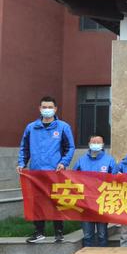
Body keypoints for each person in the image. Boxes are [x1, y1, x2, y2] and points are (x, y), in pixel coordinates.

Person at [18, 96, 76, 243]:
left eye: (50, 107)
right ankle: (39, 232)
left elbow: (70, 147)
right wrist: (22, 163)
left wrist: (63, 162)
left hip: (55, 172)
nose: (47, 110)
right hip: (36, 172)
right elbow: (24, 147)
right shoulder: (31, 128)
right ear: (40, 108)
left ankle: (59, 232)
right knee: (37, 202)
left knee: (56, 201)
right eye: (44, 107)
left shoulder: (63, 127)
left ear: (55, 109)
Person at [73, 134, 116, 247]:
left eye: (98, 142)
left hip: (102, 203)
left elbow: (115, 180)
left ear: (103, 144)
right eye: (93, 142)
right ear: (89, 144)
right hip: (86, 203)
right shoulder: (81, 161)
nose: (96, 144)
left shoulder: (109, 160)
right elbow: (72, 178)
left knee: (102, 234)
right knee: (87, 235)